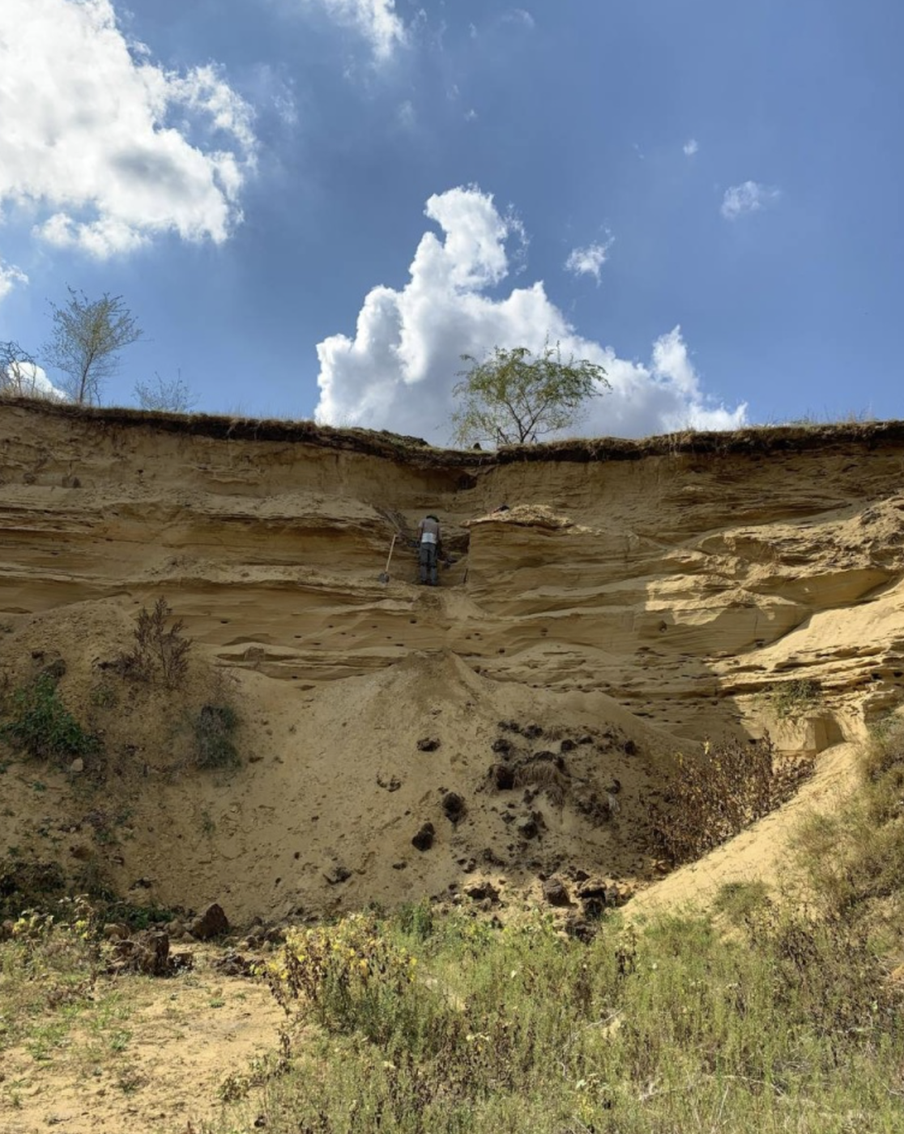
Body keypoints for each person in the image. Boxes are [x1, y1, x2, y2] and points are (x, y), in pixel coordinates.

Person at [417, 513, 441, 586]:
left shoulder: (423, 521)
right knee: (433, 564)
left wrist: (418, 538)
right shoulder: (437, 524)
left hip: (424, 542)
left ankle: (423, 580)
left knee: (423, 562)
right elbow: (440, 537)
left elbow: (420, 529)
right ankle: (433, 581)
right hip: (433, 544)